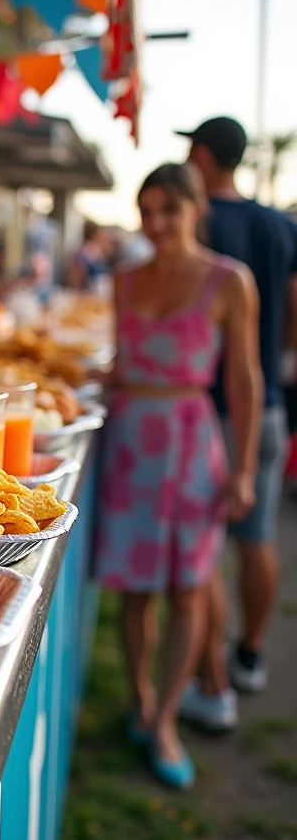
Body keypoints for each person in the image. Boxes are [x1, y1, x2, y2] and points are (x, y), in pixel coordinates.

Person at [95, 163, 261, 790]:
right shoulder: (124, 280)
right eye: (147, 210)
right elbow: (124, 358)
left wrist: (244, 468)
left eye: (170, 209)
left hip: (192, 442)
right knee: (136, 589)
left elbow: (244, 381)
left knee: (190, 589)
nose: (157, 223)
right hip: (133, 440)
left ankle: (166, 718)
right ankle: (140, 699)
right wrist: (103, 378)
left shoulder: (230, 281)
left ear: (196, 210)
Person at [174, 116, 297, 726]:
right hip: (270, 402)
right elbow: (295, 305)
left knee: (204, 555)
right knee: (259, 540)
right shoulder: (278, 224)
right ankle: (250, 654)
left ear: (201, 155)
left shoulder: (199, 222)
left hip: (211, 409)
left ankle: (211, 679)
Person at [67, 220, 112, 291]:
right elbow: (76, 278)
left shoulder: (98, 253)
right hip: (86, 294)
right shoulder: (85, 253)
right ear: (95, 235)